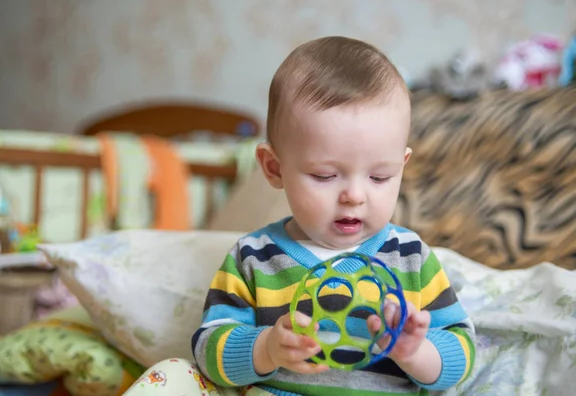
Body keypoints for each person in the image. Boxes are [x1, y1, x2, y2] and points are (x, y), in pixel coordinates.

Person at [124, 35, 476, 396]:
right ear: (274, 168)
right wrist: (267, 349)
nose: (354, 195)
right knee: (170, 375)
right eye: (325, 176)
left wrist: (416, 353)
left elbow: (463, 353)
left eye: (379, 177)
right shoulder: (254, 257)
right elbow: (209, 350)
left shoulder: (411, 258)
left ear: (402, 166)